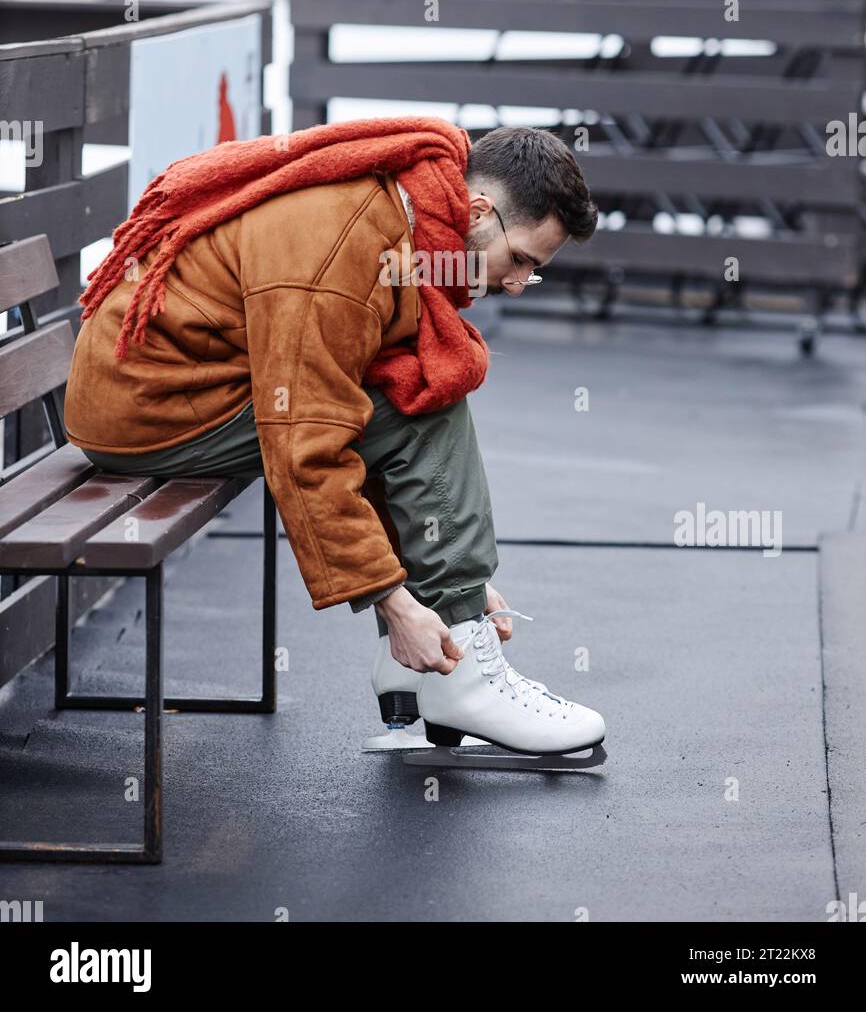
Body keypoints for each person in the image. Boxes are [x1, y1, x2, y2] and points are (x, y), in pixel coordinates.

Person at [63, 116, 606, 754]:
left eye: (531, 272)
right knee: (423, 403)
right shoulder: (342, 248)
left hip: (194, 378)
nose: (516, 283)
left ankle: (439, 657)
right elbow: (306, 442)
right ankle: (464, 682)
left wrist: (443, 571)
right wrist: (398, 602)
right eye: (519, 260)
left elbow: (348, 390)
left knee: (412, 378)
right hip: (148, 408)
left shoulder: (408, 206)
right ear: (479, 211)